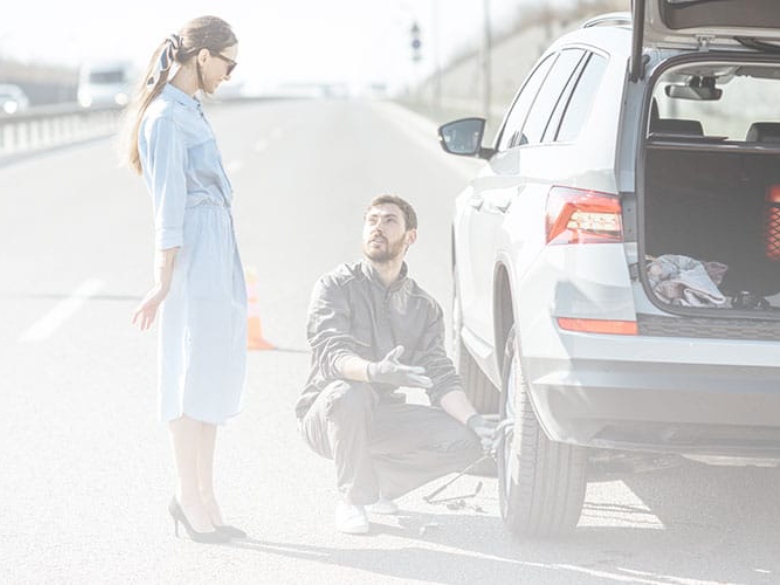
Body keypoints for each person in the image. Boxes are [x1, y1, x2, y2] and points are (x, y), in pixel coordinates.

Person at [296, 194, 498, 535]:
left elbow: (440, 377)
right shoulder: (335, 286)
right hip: (327, 414)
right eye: (372, 220)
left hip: (383, 417)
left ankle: (377, 486)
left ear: (410, 236)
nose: (378, 227)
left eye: (389, 221)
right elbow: (332, 354)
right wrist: (374, 371)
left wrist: (475, 420)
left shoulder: (424, 307)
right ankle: (352, 500)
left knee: (468, 438)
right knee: (350, 393)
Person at [123, 15, 246, 544]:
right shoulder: (166, 119)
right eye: (228, 62)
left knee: (213, 370)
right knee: (186, 370)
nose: (231, 73)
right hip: (192, 249)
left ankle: (206, 493)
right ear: (202, 56)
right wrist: (162, 279)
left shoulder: (191, 109)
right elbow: (168, 205)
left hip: (216, 245)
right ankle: (187, 495)